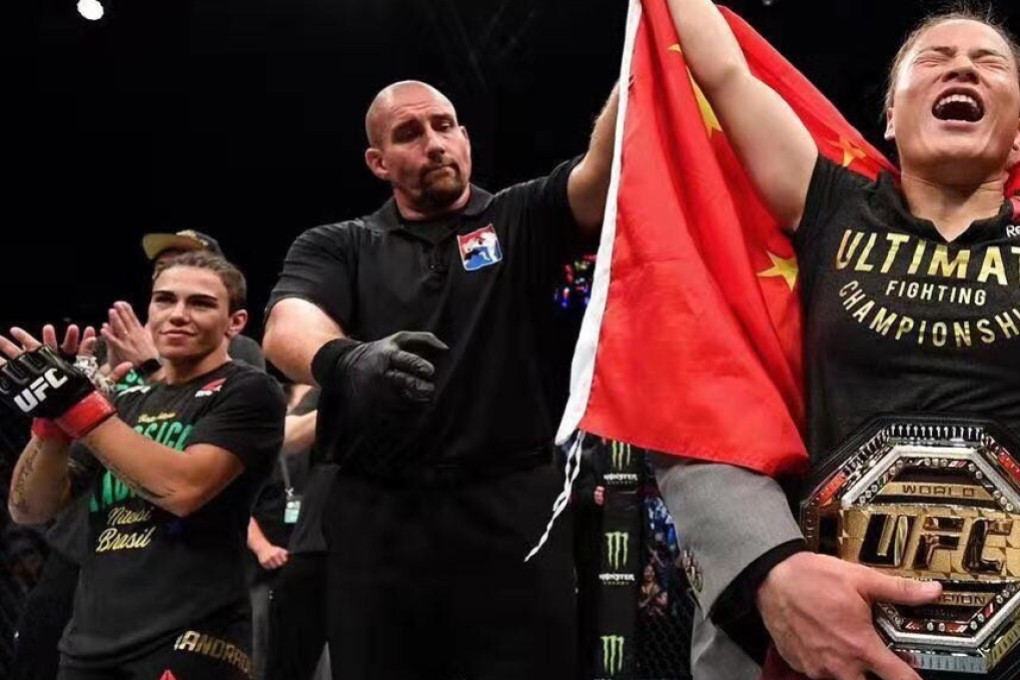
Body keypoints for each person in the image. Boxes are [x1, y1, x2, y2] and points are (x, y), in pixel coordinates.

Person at [655, 3, 1020, 680]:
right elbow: (724, 73)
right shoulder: (835, 207)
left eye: (989, 61)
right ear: (890, 114)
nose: (963, 65)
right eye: (935, 59)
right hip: (834, 643)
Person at [262, 79, 618, 679]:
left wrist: (639, 61)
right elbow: (286, 326)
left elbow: (604, 168)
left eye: (445, 125)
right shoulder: (340, 243)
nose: (434, 143)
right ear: (378, 162)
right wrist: (346, 360)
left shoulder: (520, 215)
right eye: (409, 133)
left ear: (465, 137)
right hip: (379, 523)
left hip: (512, 516)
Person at [1, 251, 286, 679]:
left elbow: (183, 490)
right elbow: (29, 508)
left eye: (201, 303)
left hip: (192, 637)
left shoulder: (248, 390)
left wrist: (76, 406)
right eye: (164, 300)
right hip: (88, 643)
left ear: (236, 322)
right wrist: (51, 423)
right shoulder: (123, 400)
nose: (177, 315)